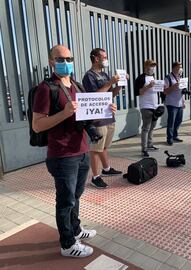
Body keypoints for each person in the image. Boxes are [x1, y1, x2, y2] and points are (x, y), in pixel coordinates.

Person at [32, 45, 114, 258]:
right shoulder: (46, 88)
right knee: (65, 199)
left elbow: (86, 117)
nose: (65, 62)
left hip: (82, 150)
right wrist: (65, 113)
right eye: (60, 59)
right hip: (62, 155)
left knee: (76, 196)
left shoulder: (76, 85)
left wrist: (105, 110)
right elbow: (37, 125)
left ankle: (75, 229)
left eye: (69, 58)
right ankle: (67, 243)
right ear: (51, 62)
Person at [82, 48, 125, 189]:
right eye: (104, 57)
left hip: (108, 115)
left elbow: (109, 94)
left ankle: (106, 169)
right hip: (97, 118)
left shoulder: (105, 74)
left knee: (105, 146)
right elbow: (94, 97)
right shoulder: (89, 76)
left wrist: (119, 85)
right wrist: (110, 82)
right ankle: (95, 177)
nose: (106, 59)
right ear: (95, 58)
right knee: (95, 149)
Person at [134, 59, 160, 157]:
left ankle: (150, 144)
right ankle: (144, 149)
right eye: (151, 66)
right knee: (146, 128)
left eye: (154, 66)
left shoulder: (153, 77)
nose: (152, 68)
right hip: (145, 106)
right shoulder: (140, 78)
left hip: (154, 106)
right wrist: (148, 86)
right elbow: (139, 92)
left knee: (152, 127)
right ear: (145, 67)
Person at [164, 61, 185, 146]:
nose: (181, 69)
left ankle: (175, 136)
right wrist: (174, 86)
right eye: (179, 67)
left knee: (179, 121)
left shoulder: (180, 77)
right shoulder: (168, 78)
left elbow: (181, 91)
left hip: (180, 103)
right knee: (171, 122)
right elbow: (165, 91)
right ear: (174, 67)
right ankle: (169, 138)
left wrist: (183, 102)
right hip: (172, 103)